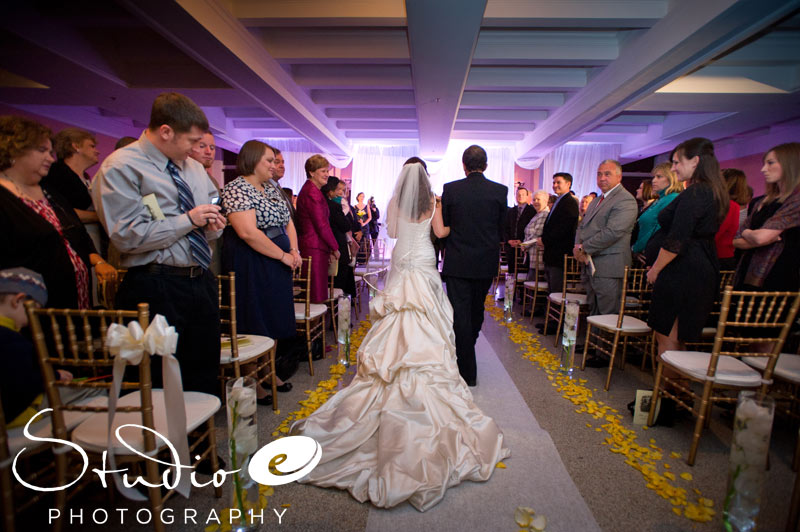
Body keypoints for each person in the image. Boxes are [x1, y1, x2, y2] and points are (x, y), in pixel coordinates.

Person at [291, 162, 510, 511]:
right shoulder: (433, 203)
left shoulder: (394, 202)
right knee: (427, 321)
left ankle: (391, 370)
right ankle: (424, 374)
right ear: (425, 180)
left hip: (401, 263)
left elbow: (392, 230)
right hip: (422, 264)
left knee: (394, 321)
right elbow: (440, 234)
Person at [92, 92, 225, 395]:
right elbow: (127, 236)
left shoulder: (191, 169)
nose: (198, 150)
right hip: (155, 282)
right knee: (158, 379)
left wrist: (214, 226)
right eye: (192, 141)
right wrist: (189, 220)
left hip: (199, 279)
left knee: (203, 372)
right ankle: (160, 442)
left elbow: (206, 219)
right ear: (166, 131)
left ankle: (196, 440)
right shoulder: (122, 167)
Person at [0, 116, 116, 309]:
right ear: (15, 150)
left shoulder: (48, 192)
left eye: (50, 151)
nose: (50, 158)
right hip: (27, 307)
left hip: (71, 299)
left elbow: (75, 233)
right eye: (42, 150)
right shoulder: (4, 198)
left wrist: (97, 261)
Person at [221, 140, 299, 404]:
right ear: (253, 160)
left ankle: (269, 371)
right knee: (255, 319)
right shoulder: (236, 188)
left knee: (274, 318)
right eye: (269, 160)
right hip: (253, 261)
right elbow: (247, 233)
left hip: (278, 262)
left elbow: (288, 221)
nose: (274, 165)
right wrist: (283, 256)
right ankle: (251, 381)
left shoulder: (271, 187)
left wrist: (295, 251)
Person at [647, 138, 729, 358]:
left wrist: (655, 269)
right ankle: (676, 390)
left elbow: (677, 239)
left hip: (682, 269)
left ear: (695, 161)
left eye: (676, 162)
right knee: (679, 337)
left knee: (667, 335)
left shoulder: (696, 193)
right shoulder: (712, 191)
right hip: (698, 266)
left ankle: (667, 391)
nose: (673, 168)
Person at [440, 145, 508, 386]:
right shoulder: (500, 191)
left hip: (458, 260)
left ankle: (464, 359)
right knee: (477, 311)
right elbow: (502, 228)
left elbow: (446, 225)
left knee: (461, 313)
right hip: (485, 261)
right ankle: (468, 368)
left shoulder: (451, 189)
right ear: (486, 165)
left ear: (464, 165)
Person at [574, 160, 638, 317]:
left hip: (609, 265)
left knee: (607, 314)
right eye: (599, 174)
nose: (602, 178)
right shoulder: (597, 200)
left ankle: (603, 342)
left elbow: (613, 232)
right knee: (593, 309)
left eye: (607, 174)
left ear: (619, 176)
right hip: (591, 263)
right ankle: (592, 341)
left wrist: (584, 248)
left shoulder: (625, 200)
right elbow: (582, 226)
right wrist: (577, 246)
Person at [733, 143, 800, 291]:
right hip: (746, 271)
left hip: (777, 277)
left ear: (790, 163)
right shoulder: (761, 201)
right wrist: (751, 234)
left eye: (770, 163)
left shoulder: (796, 200)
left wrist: (750, 234)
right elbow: (736, 240)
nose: (763, 169)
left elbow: (761, 238)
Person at [296, 155, 340, 303]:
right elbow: (321, 225)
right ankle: (315, 325)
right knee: (314, 297)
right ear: (311, 172)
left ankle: (318, 325)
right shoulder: (311, 192)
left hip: (316, 247)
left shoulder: (313, 190)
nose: (327, 174)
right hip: (313, 248)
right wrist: (335, 248)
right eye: (323, 171)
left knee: (317, 295)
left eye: (327, 171)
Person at [40, 127, 100, 223]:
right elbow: (57, 209)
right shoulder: (56, 172)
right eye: (92, 146)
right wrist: (100, 217)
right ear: (76, 147)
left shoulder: (86, 177)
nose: (97, 151)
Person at [631, 162, 682, 266]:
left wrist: (635, 248)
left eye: (659, 177)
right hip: (645, 253)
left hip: (653, 256)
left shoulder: (672, 198)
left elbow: (657, 230)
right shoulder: (661, 199)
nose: (654, 181)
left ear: (671, 178)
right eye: (654, 177)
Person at [539, 173, 579, 297]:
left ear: (568, 184)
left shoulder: (569, 202)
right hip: (552, 253)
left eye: (558, 182)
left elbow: (563, 228)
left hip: (559, 253)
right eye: (554, 183)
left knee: (557, 291)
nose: (555, 185)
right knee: (551, 289)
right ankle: (551, 314)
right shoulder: (559, 201)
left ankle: (557, 315)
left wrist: (545, 240)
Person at [189, 131, 222, 274]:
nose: (209, 152)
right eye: (202, 146)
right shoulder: (181, 178)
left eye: (213, 148)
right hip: (190, 254)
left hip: (211, 246)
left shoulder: (211, 180)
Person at [322, 176, 356, 298]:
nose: (340, 193)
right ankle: (338, 309)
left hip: (333, 243)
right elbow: (345, 225)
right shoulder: (334, 205)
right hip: (337, 244)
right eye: (338, 189)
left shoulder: (326, 203)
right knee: (339, 279)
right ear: (331, 190)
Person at [520, 189, 549, 279]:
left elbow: (537, 233)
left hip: (538, 256)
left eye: (538, 199)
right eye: (534, 200)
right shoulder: (537, 214)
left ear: (545, 201)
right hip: (532, 254)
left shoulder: (544, 214)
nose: (535, 202)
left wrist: (525, 245)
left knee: (534, 282)